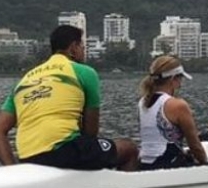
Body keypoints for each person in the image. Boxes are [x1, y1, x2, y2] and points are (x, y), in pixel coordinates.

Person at [0, 25, 138, 170]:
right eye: (82, 46)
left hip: (27, 156)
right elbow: (91, 132)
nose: (84, 51)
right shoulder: (84, 72)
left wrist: (13, 170)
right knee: (129, 149)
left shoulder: (25, 80)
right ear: (73, 48)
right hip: (64, 151)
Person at [137, 56, 207, 169]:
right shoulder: (178, 105)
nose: (180, 85)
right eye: (180, 79)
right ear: (173, 79)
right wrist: (205, 165)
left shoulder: (143, 102)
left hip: (144, 164)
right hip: (166, 165)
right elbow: (195, 146)